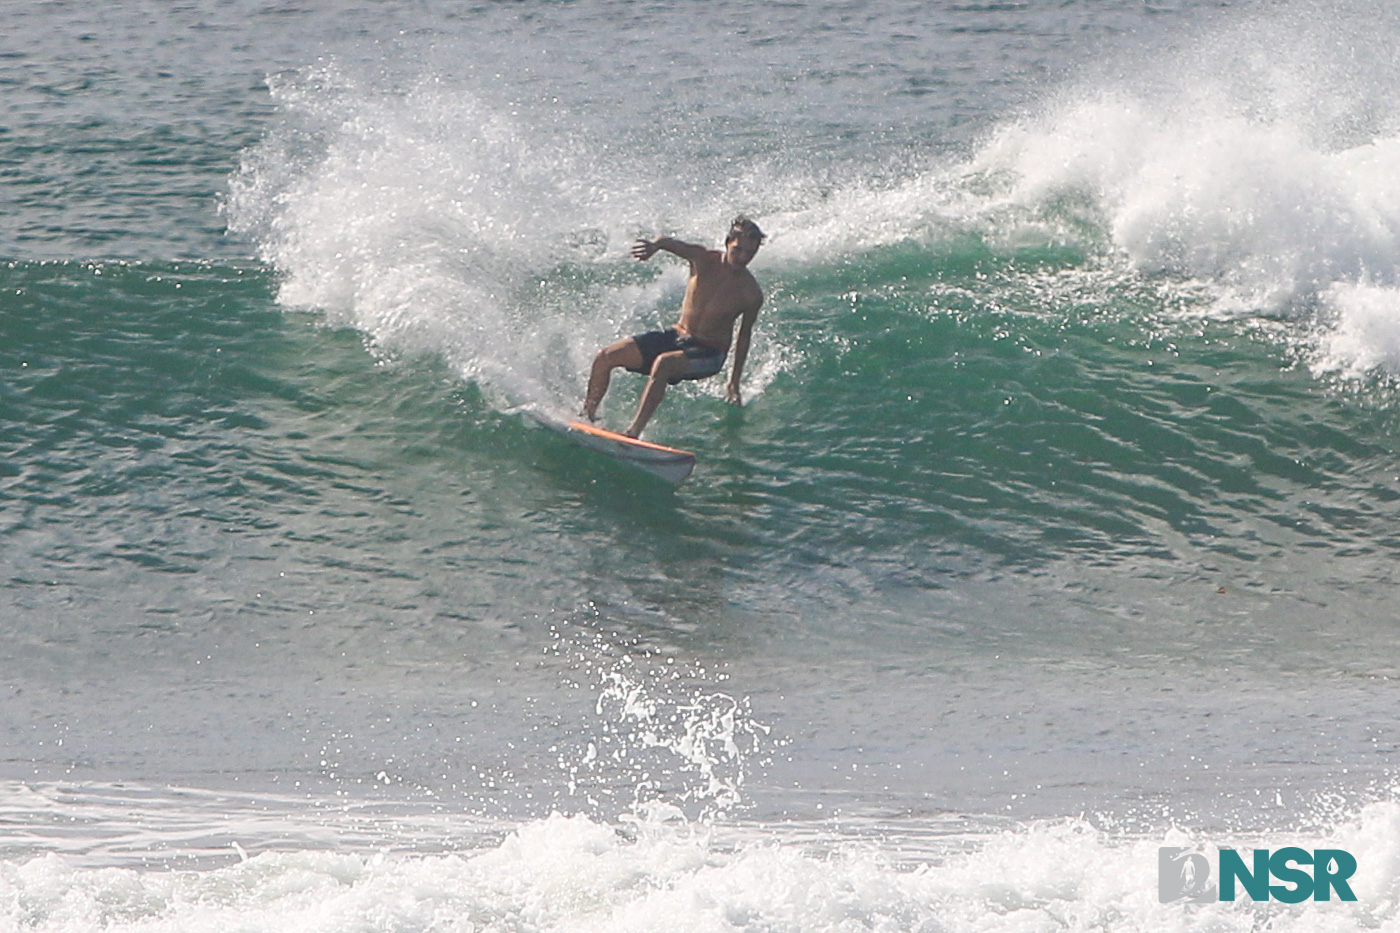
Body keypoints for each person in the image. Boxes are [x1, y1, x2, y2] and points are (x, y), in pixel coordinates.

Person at [583, 216, 766, 438]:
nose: (743, 257)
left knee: (664, 363)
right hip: (678, 335)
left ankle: (633, 433)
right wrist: (655, 246)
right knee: (605, 357)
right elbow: (669, 242)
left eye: (750, 253)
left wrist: (733, 383)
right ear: (727, 242)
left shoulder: (750, 293)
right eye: (738, 250)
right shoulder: (703, 259)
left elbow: (743, 337)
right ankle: (587, 417)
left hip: (710, 351)